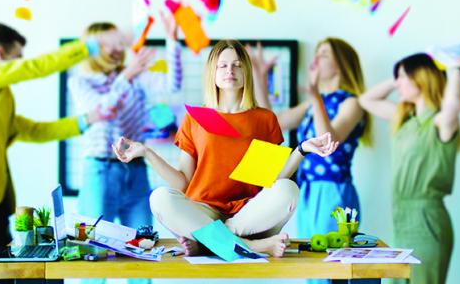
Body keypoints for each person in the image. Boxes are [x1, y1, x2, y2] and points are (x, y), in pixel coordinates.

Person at [113, 39, 339, 257]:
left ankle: (210, 243)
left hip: (247, 215)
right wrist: (147, 153)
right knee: (160, 197)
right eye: (222, 65)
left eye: (237, 65)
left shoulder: (264, 119)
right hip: (203, 211)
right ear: (212, 72)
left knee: (288, 190)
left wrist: (301, 150)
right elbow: (183, 183)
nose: (230, 70)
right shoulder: (194, 119)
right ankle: (252, 246)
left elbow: (270, 180)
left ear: (246, 73)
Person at [0, 23, 123, 284]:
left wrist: (87, 119)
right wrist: (90, 46)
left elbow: (35, 131)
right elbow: (33, 68)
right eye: (17, 57)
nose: (20, 64)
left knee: (2, 277)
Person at [68, 14, 181, 284]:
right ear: (93, 47)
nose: (120, 48)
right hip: (100, 170)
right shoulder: (80, 82)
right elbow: (103, 110)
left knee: (142, 251)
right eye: (112, 43)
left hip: (136, 171)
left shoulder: (136, 79)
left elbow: (172, 84)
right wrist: (127, 77)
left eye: (121, 42)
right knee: (92, 255)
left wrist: (173, 40)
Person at [358, 53, 460, 284]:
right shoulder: (404, 119)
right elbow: (366, 101)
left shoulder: (440, 121)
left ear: (421, 77)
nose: (398, 82)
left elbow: (454, 104)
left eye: (402, 77)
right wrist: (397, 78)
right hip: (402, 219)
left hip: (426, 220)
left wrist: (455, 71)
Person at [250, 38, 372, 237]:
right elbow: (274, 122)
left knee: (330, 260)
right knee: (312, 259)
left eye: (324, 54)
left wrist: (314, 94)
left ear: (341, 64)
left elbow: (328, 139)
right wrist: (261, 80)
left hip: (333, 190)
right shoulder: (312, 103)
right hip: (307, 190)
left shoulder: (351, 103)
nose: (315, 58)